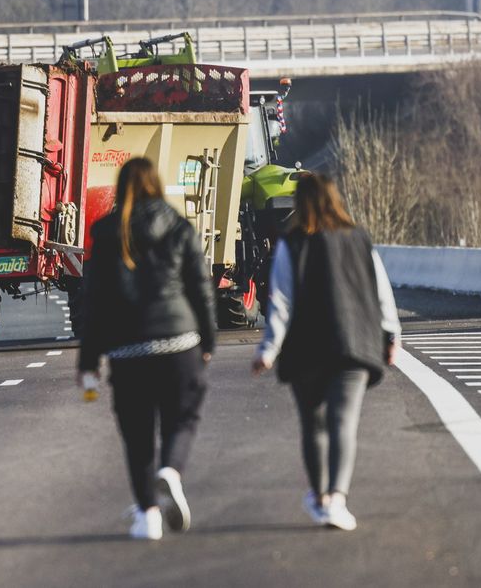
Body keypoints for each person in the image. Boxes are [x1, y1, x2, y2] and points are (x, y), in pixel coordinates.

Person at [251, 172, 400, 530]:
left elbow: (281, 302)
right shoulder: (359, 238)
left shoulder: (292, 243)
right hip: (353, 346)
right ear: (336, 199)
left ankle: (319, 497)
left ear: (300, 204)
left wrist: (269, 349)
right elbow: (382, 292)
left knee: (313, 425)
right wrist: (391, 336)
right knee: (343, 423)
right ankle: (337, 497)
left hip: (306, 351)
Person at [78, 157, 216, 541]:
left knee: (137, 437)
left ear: (121, 189)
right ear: (157, 184)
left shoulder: (105, 232)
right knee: (183, 418)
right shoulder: (178, 226)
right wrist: (207, 340)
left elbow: (95, 304)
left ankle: (147, 516)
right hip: (180, 343)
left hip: (128, 351)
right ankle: (171, 470)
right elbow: (201, 289)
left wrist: (88, 361)